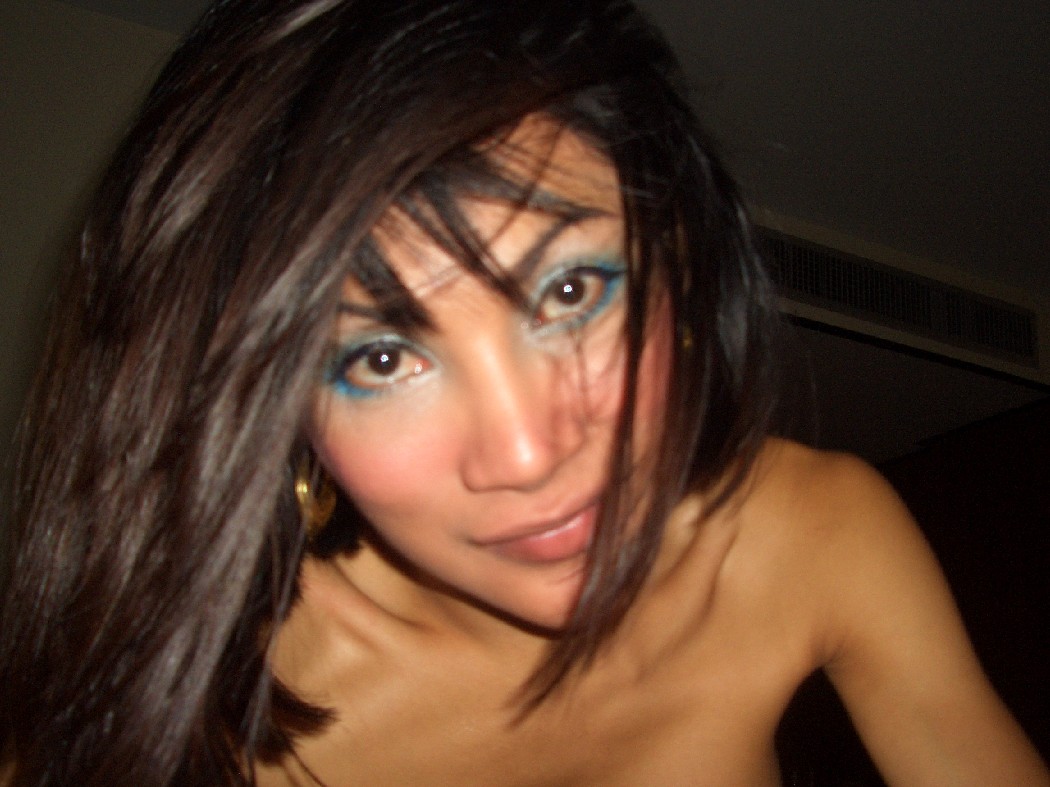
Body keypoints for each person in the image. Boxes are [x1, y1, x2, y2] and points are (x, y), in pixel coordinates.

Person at [1, 1, 1046, 784]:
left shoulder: (814, 533)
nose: (527, 455)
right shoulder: (189, 723)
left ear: (679, 267)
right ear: (279, 416)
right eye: (379, 359)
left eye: (570, 290)